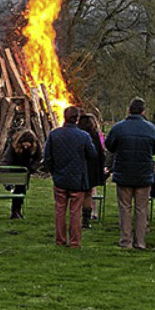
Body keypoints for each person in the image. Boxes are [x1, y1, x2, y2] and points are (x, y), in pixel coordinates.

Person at [105, 97, 155, 250]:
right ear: (143, 111)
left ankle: (126, 241)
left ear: (129, 110)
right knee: (142, 209)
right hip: (144, 174)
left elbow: (110, 145)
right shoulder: (151, 128)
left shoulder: (118, 127)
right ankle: (140, 242)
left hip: (124, 172)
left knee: (125, 208)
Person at [41, 105, 96, 248]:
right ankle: (74, 242)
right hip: (77, 179)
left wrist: (53, 171)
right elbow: (93, 154)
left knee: (60, 210)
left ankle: (60, 240)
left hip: (59, 178)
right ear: (77, 119)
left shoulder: (54, 134)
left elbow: (47, 157)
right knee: (75, 212)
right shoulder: (83, 136)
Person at [1, 129, 42, 220]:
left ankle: (17, 210)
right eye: (24, 143)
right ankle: (15, 211)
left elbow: (38, 158)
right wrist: (6, 176)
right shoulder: (13, 146)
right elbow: (6, 160)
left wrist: (32, 168)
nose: (26, 146)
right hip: (14, 169)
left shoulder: (36, 146)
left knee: (22, 191)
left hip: (25, 170)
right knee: (18, 190)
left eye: (28, 143)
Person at [77, 112, 106, 228]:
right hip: (92, 170)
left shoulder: (78, 135)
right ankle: (86, 219)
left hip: (79, 168)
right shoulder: (96, 136)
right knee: (88, 194)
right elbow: (101, 153)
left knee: (77, 194)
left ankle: (77, 217)